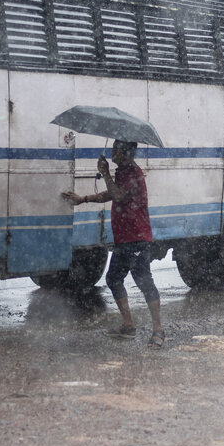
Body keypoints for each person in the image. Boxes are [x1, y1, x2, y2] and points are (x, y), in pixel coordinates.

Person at [62, 140, 165, 348]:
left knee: (144, 281)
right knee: (113, 278)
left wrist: (105, 173)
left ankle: (158, 330)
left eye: (116, 149)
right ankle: (128, 325)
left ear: (126, 153)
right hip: (123, 238)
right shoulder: (123, 172)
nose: (112, 152)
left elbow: (118, 194)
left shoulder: (134, 173)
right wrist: (84, 199)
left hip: (137, 237)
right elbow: (112, 194)